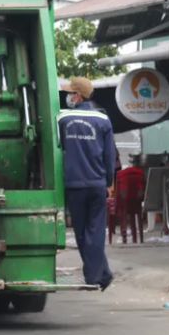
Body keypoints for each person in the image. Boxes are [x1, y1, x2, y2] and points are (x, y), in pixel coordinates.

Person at [58, 76, 116, 290]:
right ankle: (104, 274)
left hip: (75, 186)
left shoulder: (64, 119)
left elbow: (59, 150)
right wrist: (109, 182)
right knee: (96, 231)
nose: (67, 97)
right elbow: (110, 156)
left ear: (78, 95)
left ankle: (92, 277)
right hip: (97, 184)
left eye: (70, 93)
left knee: (82, 233)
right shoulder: (103, 120)